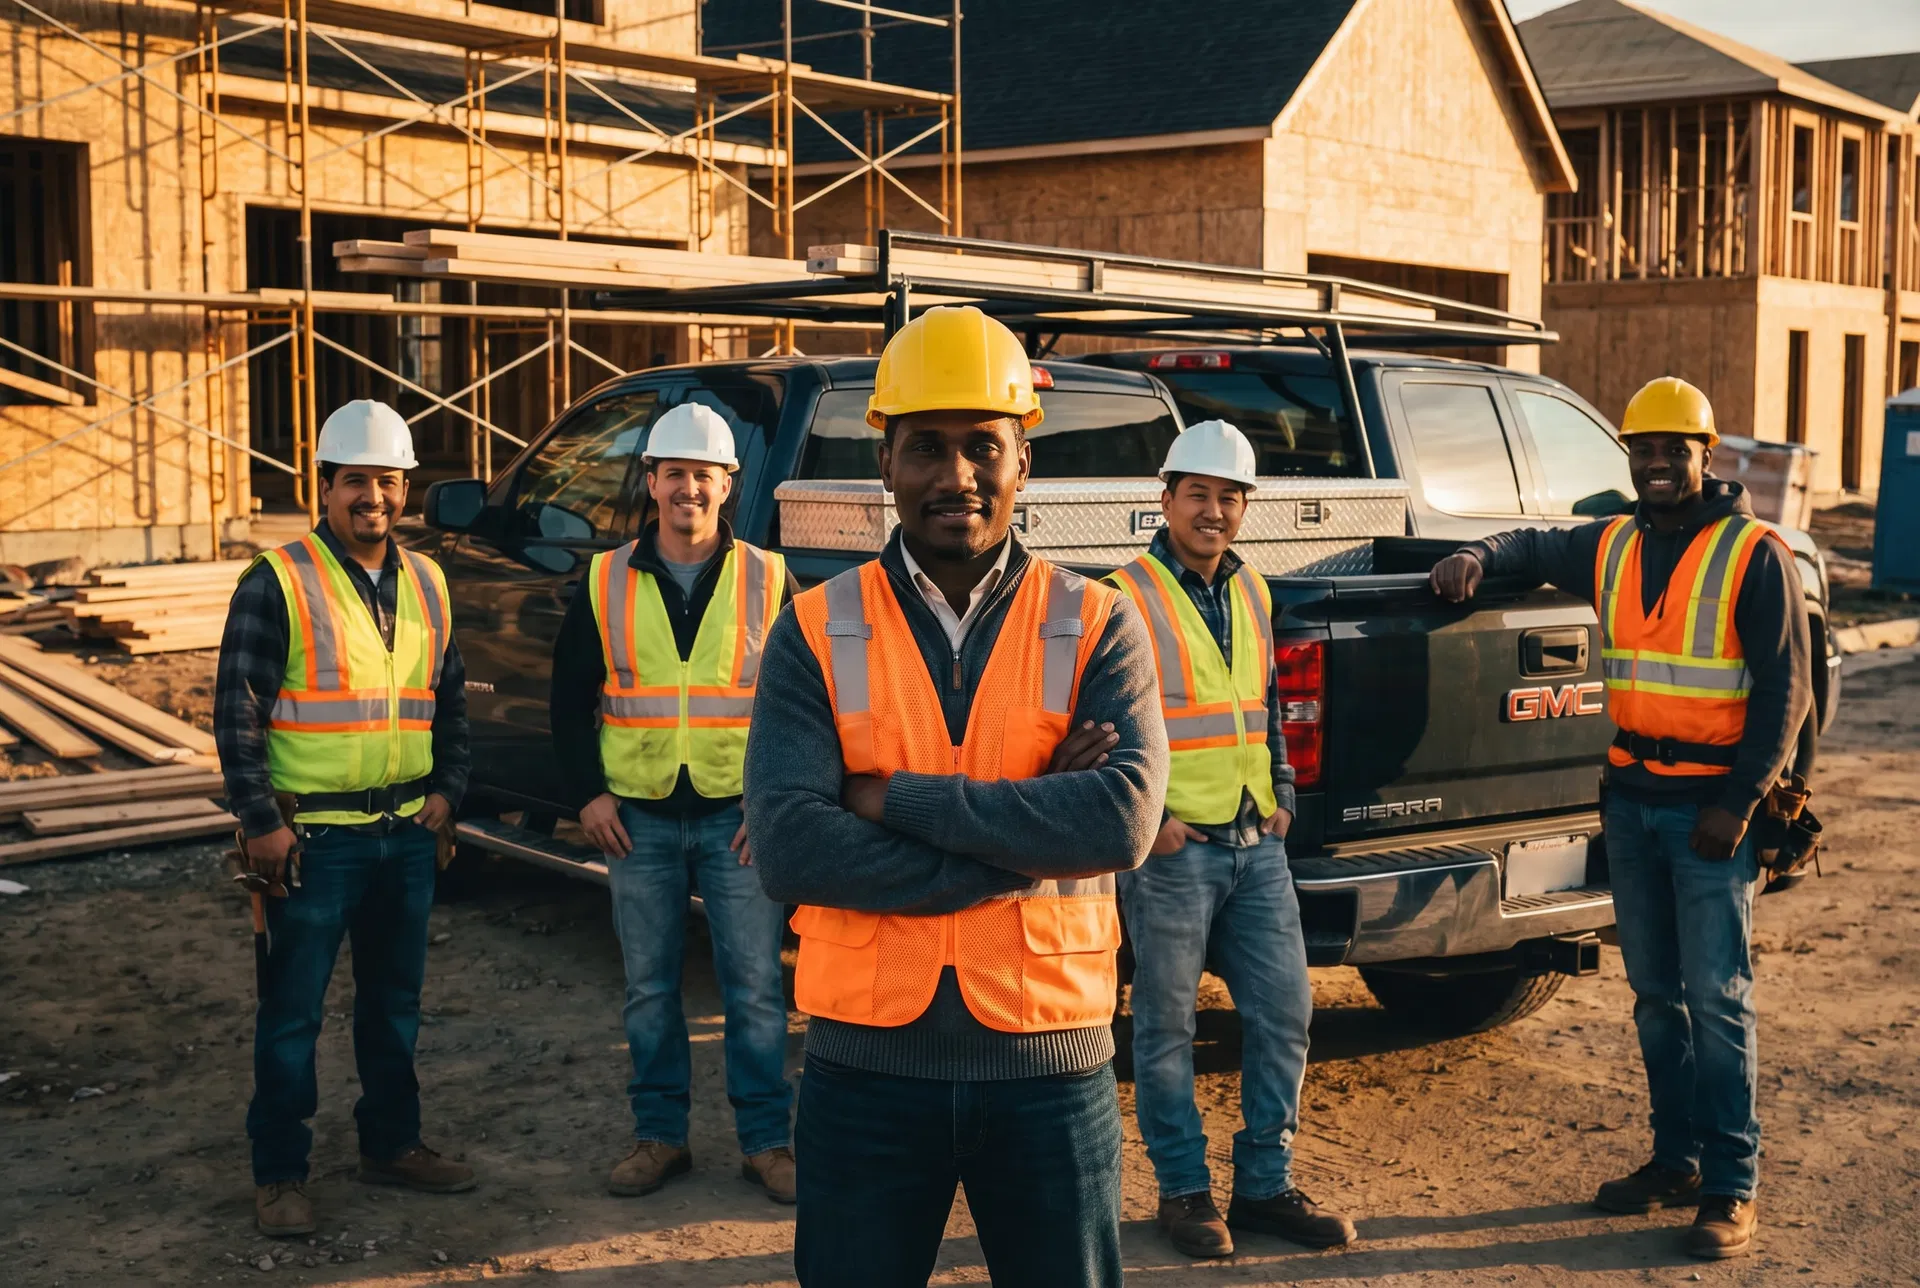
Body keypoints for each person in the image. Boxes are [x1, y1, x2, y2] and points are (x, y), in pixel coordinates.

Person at [747, 305, 1169, 1288]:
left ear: (1026, 462)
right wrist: (1029, 830)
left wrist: (886, 796)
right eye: (927, 448)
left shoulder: (1099, 622)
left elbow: (1119, 821)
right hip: (864, 1071)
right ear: (885, 460)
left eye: (984, 446)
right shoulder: (813, 627)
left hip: (1051, 1071)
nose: (956, 476)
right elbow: (793, 849)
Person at [1430, 376, 1810, 1260]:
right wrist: (1477, 556)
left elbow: (1785, 694)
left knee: (1718, 1002)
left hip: (1711, 814)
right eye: (1642, 450)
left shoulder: (1753, 554)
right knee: (1655, 1001)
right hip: (1633, 805)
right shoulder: (1613, 543)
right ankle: (1673, 1160)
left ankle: (1730, 1185)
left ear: (1704, 456)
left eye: (1673, 449)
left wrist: (1740, 802)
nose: (1656, 464)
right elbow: (1530, 542)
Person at [216, 400, 474, 1238]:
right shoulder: (278, 580)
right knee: (292, 1012)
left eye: (389, 481)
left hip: (405, 834)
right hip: (312, 840)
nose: (374, 496)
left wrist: (449, 791)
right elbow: (238, 711)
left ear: (405, 489)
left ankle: (392, 1144)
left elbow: (452, 698)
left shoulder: (429, 581)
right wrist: (260, 820)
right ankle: (279, 1171)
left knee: (393, 1004)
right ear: (324, 486)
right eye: (356, 480)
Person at [1106, 420, 1356, 1259]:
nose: (1215, 512)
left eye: (1230, 498)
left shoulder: (1253, 590)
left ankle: (1263, 1187)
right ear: (1166, 497)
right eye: (1200, 495)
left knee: (1286, 1015)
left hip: (1257, 846)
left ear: (1247, 508)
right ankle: (1184, 1195)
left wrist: (1283, 795)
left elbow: (1262, 703)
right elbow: (1101, 730)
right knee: (1166, 1030)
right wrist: (1150, 824)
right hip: (1175, 853)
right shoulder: (1123, 595)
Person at [549, 402, 800, 1203]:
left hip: (738, 822)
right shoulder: (604, 578)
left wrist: (775, 806)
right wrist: (586, 794)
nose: (688, 488)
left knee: (755, 988)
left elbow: (802, 707)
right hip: (640, 819)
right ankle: (660, 1137)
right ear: (651, 483)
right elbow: (565, 700)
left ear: (728, 485)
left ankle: (767, 1143)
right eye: (674, 474)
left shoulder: (770, 577)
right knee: (650, 989)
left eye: (704, 474)